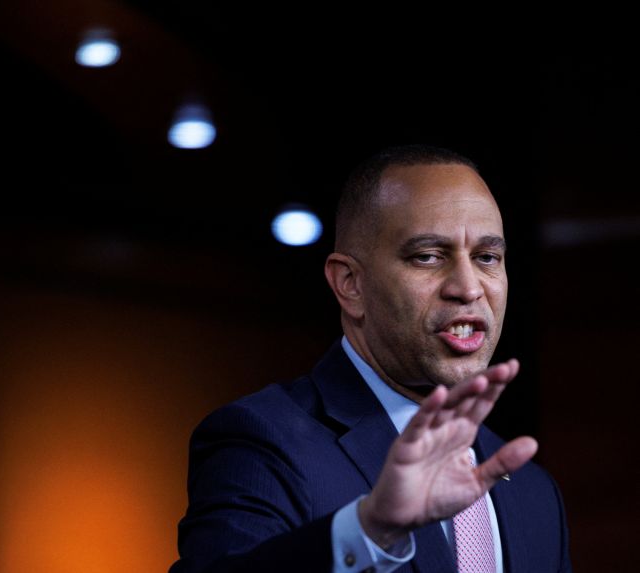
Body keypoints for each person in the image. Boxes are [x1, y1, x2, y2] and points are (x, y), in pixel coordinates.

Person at [170, 145, 572, 573]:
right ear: (350, 284)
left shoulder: (534, 491)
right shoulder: (262, 443)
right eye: (428, 257)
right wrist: (371, 529)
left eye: (486, 258)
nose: (468, 288)